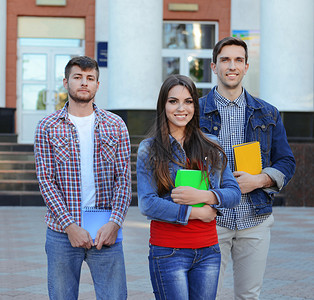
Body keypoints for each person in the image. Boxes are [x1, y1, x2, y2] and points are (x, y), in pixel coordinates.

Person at [198, 37, 296, 299]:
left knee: (249, 295)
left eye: (238, 60)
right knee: (207, 294)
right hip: (212, 218)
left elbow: (287, 161)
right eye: (225, 60)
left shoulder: (268, 112)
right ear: (213, 66)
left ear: (246, 66)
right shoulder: (195, 112)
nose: (232, 66)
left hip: (255, 218)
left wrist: (260, 180)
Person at [34, 56, 132, 300]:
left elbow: (123, 179)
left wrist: (115, 222)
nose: (84, 83)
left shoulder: (116, 125)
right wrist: (70, 226)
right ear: (66, 82)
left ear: (98, 85)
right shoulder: (47, 126)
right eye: (78, 77)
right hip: (61, 233)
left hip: (105, 230)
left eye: (90, 78)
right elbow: (46, 181)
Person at [136, 74, 241, 300]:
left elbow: (234, 193)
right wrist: (196, 212)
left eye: (188, 101)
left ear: (195, 104)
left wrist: (204, 195)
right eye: (173, 101)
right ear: (163, 105)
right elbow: (147, 204)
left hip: (208, 251)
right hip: (168, 251)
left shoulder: (212, 145)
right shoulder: (149, 149)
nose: (181, 108)